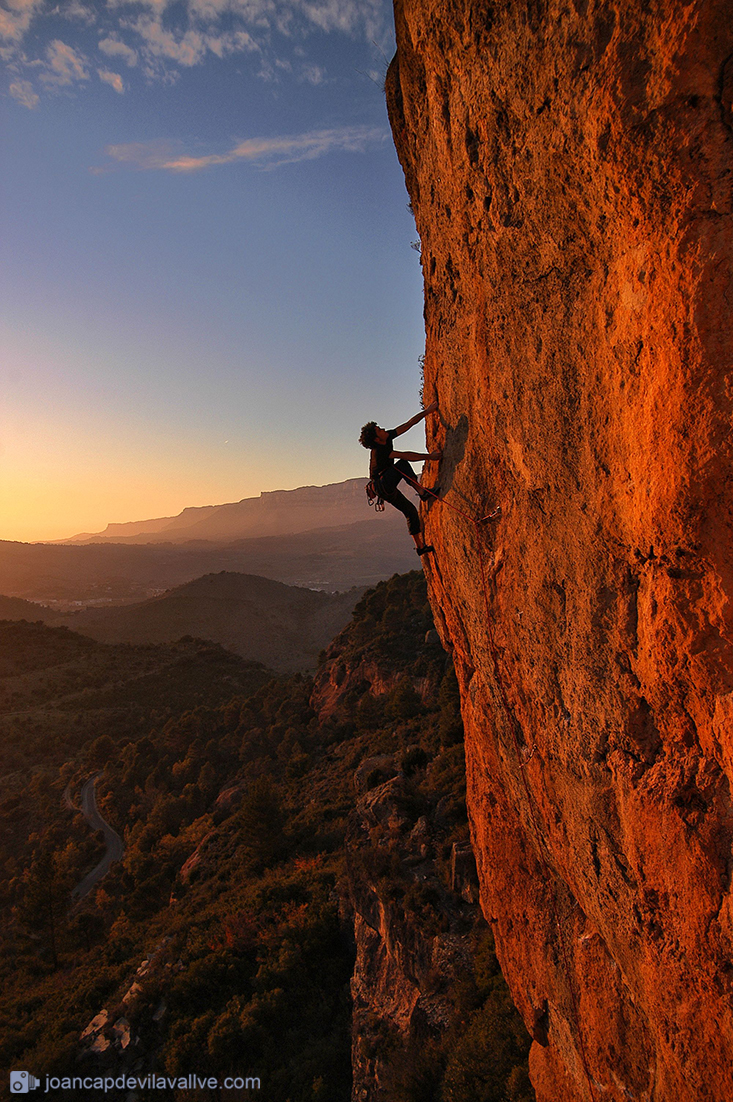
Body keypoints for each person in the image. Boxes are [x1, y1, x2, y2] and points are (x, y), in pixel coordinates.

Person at [359, 402, 442, 556]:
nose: (383, 429)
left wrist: (428, 411)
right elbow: (406, 456)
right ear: (377, 439)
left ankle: (420, 547)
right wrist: (430, 457)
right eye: (379, 430)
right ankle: (422, 492)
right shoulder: (379, 452)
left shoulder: (386, 437)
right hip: (382, 485)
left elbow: (408, 424)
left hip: (383, 488)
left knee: (410, 511)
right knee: (402, 464)